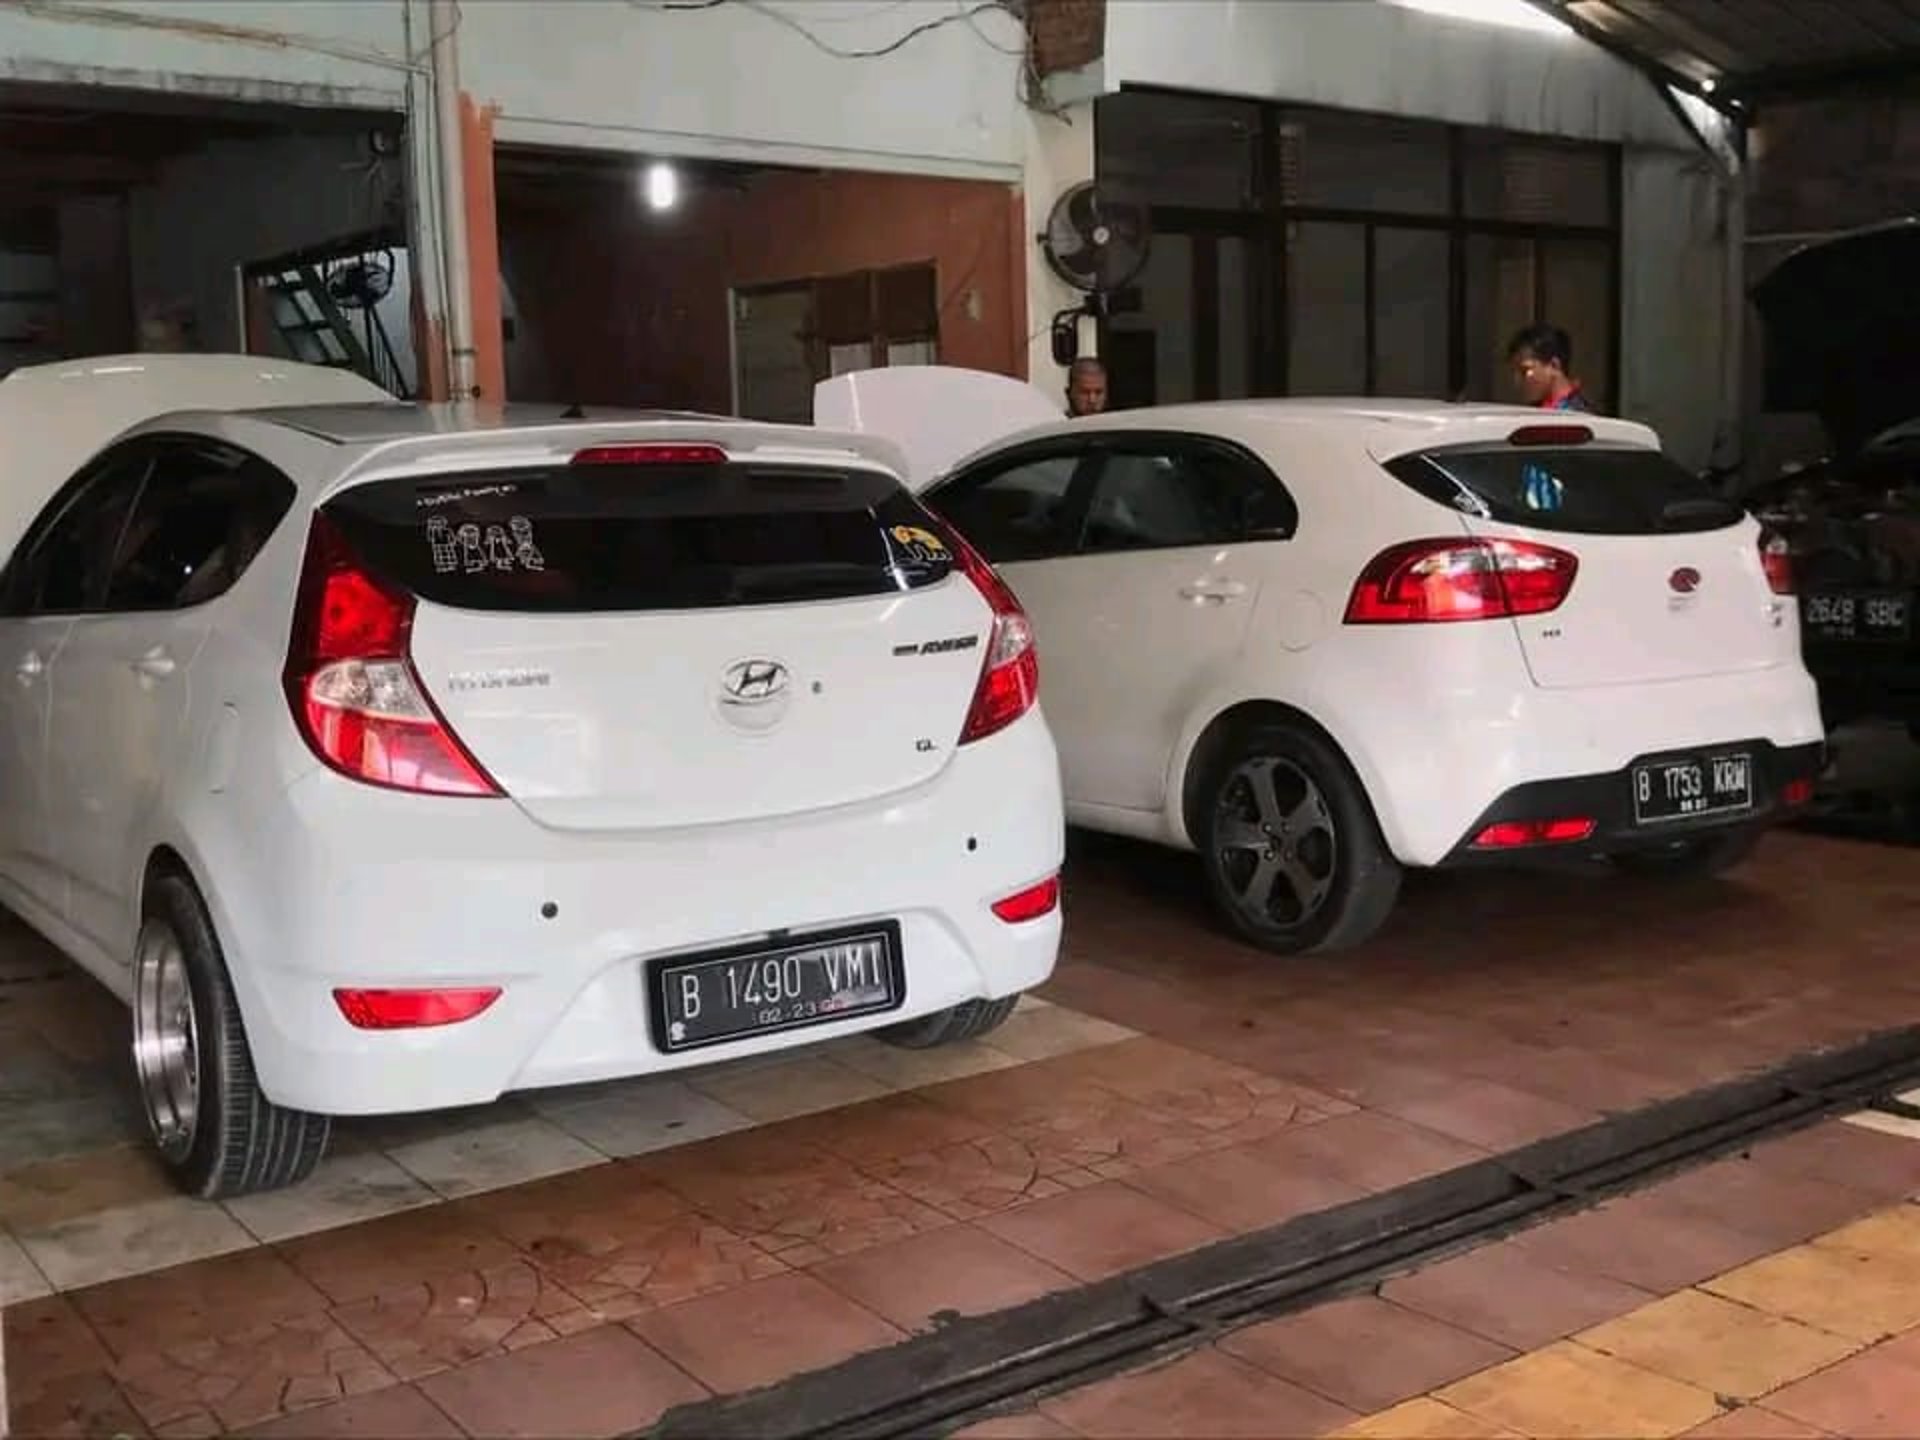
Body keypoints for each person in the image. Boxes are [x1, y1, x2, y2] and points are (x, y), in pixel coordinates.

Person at [1506, 323, 1592, 413]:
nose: (1517, 382)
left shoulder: (1576, 416)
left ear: (1554, 366)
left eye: (1525, 371)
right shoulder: (1537, 408)